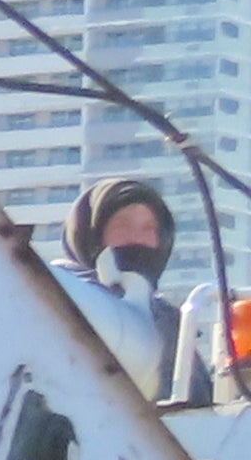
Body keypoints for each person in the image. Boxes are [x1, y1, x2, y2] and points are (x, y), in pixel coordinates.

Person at [52, 174, 227, 410]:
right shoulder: (56, 294)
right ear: (91, 234)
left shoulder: (173, 322)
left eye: (149, 228)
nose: (137, 238)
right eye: (122, 225)